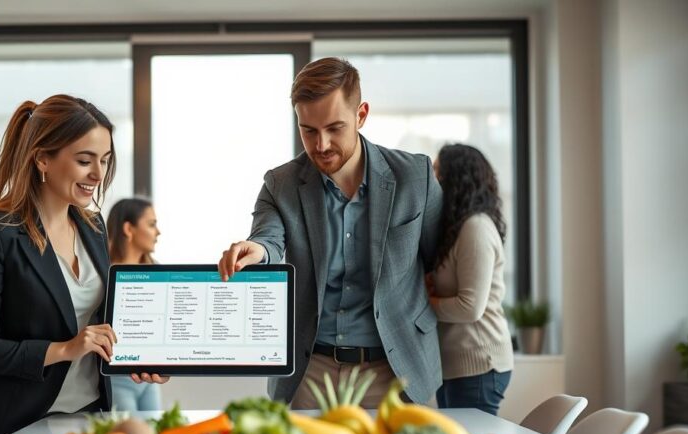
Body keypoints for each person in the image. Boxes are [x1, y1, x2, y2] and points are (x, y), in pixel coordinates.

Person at [218, 57, 443, 408]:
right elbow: (268, 238)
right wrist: (258, 251)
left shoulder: (414, 177)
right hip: (311, 372)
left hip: (397, 371)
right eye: (308, 130)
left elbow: (438, 260)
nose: (320, 145)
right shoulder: (281, 184)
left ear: (361, 115)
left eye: (334, 128)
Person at [0, 95, 165, 434]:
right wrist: (65, 348)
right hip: (19, 425)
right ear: (42, 159)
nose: (97, 174)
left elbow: (97, 322)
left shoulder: (94, 226)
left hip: (90, 417)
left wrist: (139, 356)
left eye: (105, 160)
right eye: (84, 160)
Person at [428, 144, 514, 415]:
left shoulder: (475, 228)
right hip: (458, 365)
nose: (433, 180)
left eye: (438, 172)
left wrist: (424, 301)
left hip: (479, 363)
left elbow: (470, 307)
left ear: (457, 179)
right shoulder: (457, 228)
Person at [105, 197, 162, 411]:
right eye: (151, 224)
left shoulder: (157, 271)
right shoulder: (102, 273)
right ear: (128, 228)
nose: (158, 232)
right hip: (116, 380)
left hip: (149, 380)